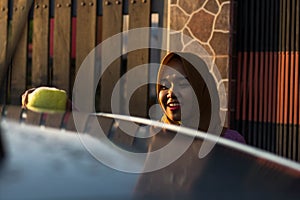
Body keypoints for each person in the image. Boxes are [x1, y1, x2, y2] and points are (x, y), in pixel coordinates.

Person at [156, 52, 245, 143]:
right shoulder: (152, 138)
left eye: (182, 84)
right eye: (164, 86)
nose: (171, 92)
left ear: (202, 90)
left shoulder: (230, 143)